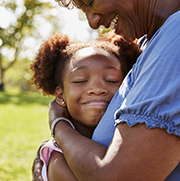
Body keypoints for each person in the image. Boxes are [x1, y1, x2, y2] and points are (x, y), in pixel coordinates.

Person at [34, 0, 180, 180]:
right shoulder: (152, 43)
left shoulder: (176, 40)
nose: (93, 22)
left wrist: (58, 124)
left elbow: (115, 175)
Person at [30, 31, 141, 181]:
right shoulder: (59, 160)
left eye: (111, 79)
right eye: (80, 80)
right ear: (61, 96)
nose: (97, 88)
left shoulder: (133, 137)